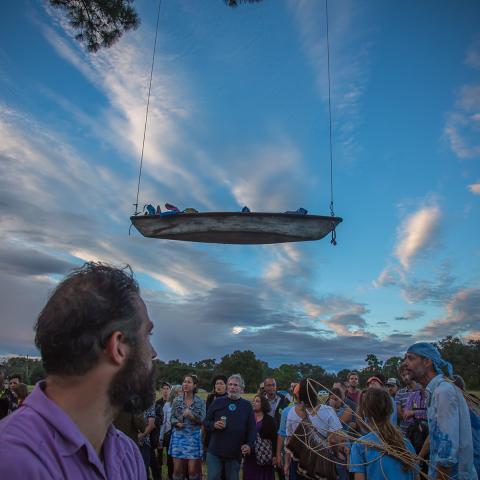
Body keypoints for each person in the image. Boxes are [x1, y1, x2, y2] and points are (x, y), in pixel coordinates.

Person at [0, 263, 156, 479]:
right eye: (147, 336)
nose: (153, 353)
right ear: (118, 346)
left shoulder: (127, 454)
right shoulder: (14, 462)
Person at [403, 342, 477, 479]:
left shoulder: (443, 391)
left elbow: (447, 449)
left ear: (427, 362)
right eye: (405, 358)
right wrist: (418, 458)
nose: (405, 363)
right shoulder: (434, 391)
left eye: (411, 358)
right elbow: (435, 434)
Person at [349, 388, 419, 480]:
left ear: (365, 412)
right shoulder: (406, 443)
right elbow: (416, 477)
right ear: (390, 412)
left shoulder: (360, 446)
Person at [285, 378, 343, 480]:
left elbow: (289, 440)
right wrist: (337, 455)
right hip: (320, 464)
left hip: (297, 462)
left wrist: (287, 463)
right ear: (315, 392)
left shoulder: (291, 412)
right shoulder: (328, 411)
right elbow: (333, 440)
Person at [204, 373, 256, 480]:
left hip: (235, 452)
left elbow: (252, 429)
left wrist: (249, 445)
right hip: (215, 451)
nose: (232, 387)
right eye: (230, 384)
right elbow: (206, 422)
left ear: (241, 388)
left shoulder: (247, 406)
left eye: (236, 385)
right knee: (213, 477)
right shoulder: (217, 402)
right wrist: (214, 424)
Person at [169, 374, 206, 480]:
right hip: (178, 437)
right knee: (177, 471)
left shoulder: (200, 401)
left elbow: (203, 420)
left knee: (193, 471)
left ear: (194, 385)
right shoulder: (176, 400)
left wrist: (192, 416)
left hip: (193, 438)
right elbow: (171, 418)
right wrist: (177, 423)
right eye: (184, 381)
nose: (185, 384)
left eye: (189, 382)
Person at [243, 395, 276, 480]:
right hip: (250, 456)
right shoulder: (247, 418)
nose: (254, 403)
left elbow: (274, 439)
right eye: (253, 401)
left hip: (264, 455)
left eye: (257, 401)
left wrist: (275, 455)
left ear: (263, 404)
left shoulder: (270, 420)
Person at [161, 385, 183, 480]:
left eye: (182, 392)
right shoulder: (167, 405)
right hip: (170, 435)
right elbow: (163, 422)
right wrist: (161, 437)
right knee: (170, 459)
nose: (181, 393)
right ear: (174, 393)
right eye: (178, 392)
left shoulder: (187, 404)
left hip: (182, 435)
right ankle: (171, 476)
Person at [152, 382, 170, 480]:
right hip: (159, 434)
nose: (166, 390)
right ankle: (159, 476)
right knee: (159, 456)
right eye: (164, 388)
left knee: (169, 456)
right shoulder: (157, 403)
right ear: (161, 390)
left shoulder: (172, 403)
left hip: (168, 434)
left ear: (170, 390)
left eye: (167, 388)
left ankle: (169, 475)